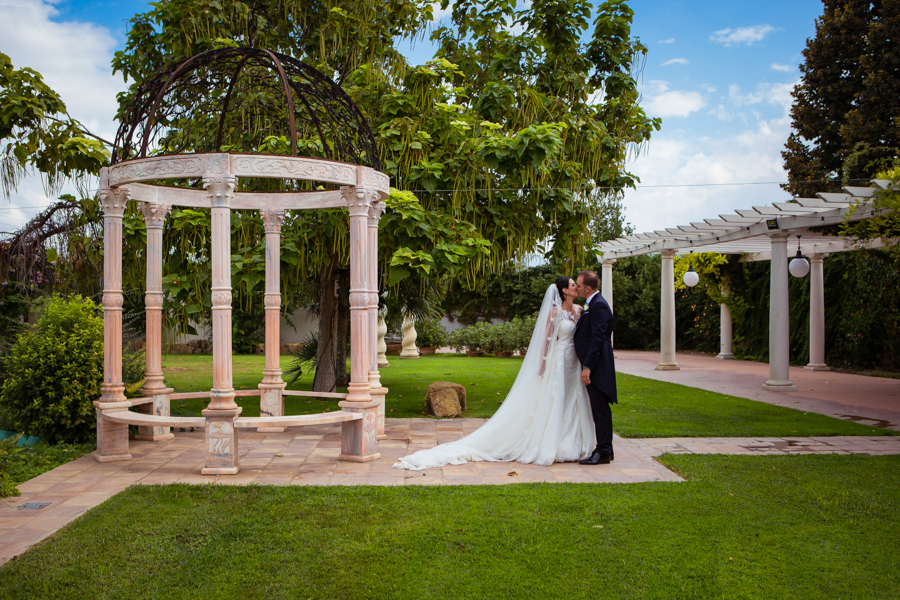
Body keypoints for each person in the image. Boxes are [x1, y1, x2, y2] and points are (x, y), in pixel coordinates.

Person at [393, 276, 595, 470]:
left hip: (574, 362)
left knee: (572, 400)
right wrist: (542, 366)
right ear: (564, 290)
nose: (576, 287)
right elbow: (546, 341)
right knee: (556, 399)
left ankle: (573, 442)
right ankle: (555, 444)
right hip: (558, 361)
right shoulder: (554, 313)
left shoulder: (579, 309)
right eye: (572, 284)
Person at [573, 270, 618, 465]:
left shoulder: (598, 305)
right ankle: (607, 449)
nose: (576, 288)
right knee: (598, 408)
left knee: (600, 409)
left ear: (588, 288)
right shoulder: (593, 303)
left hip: (598, 365)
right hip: (595, 364)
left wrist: (588, 366)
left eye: (579, 285)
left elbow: (598, 338)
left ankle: (603, 451)